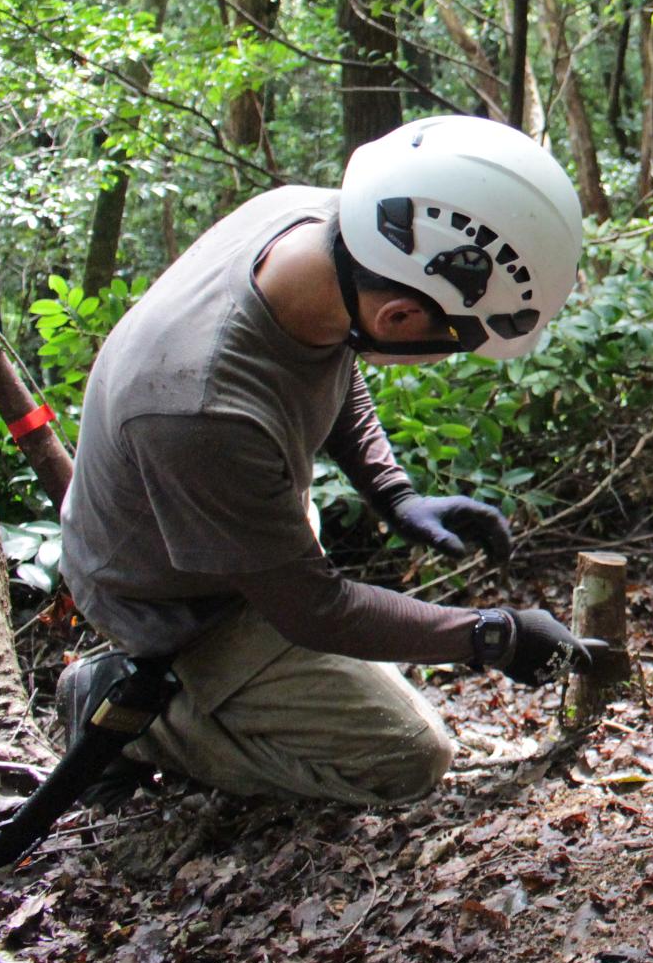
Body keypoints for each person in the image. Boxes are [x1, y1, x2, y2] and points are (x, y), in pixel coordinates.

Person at [56, 115, 608, 805]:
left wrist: (393, 492)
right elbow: (314, 609)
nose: (448, 354)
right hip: (176, 601)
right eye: (459, 340)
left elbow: (334, 361)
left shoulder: (321, 233)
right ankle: (142, 716)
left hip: (235, 528)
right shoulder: (198, 407)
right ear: (402, 318)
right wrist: (492, 635)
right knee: (409, 755)